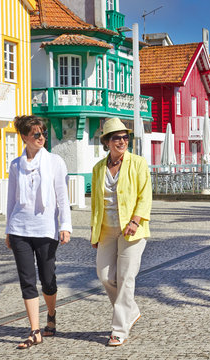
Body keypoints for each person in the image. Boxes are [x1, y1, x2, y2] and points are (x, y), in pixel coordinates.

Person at [5, 115, 72, 349]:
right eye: (36, 134)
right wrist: (8, 230)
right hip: (19, 229)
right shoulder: (15, 165)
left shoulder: (55, 161)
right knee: (27, 281)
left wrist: (65, 225)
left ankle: (51, 314)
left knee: (47, 279)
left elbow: (63, 197)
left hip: (46, 229)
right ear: (24, 137)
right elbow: (11, 199)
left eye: (43, 132)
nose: (41, 137)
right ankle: (34, 331)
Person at [90, 117, 152, 346]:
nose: (123, 141)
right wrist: (94, 232)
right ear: (107, 141)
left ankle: (119, 329)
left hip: (132, 230)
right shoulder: (98, 168)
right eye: (117, 138)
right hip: (106, 228)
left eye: (125, 137)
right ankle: (131, 310)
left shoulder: (137, 163)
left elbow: (145, 196)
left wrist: (135, 221)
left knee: (126, 278)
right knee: (105, 276)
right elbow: (96, 203)